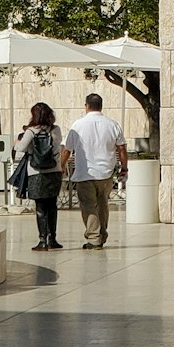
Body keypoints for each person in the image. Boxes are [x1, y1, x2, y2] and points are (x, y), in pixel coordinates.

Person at [62, 93, 127, 250]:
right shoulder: (112, 124)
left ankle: (94, 238)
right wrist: (124, 168)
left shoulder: (77, 125)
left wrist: (61, 166)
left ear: (87, 106)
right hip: (106, 173)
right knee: (103, 204)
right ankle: (102, 234)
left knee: (89, 206)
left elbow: (66, 149)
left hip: (85, 173)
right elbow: (122, 148)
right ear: (101, 106)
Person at [14, 102, 64, 251]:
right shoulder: (56, 130)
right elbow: (58, 145)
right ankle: (53, 239)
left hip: (36, 173)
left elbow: (21, 148)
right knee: (52, 206)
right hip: (54, 171)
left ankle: (42, 240)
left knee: (40, 207)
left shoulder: (31, 131)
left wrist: (17, 142)